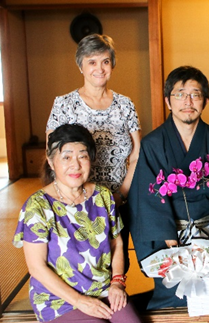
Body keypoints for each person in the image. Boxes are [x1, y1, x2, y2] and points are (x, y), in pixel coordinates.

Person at [127, 65, 209, 310]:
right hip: (169, 239)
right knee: (172, 301)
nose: (188, 101)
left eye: (195, 94)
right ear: (168, 100)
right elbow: (146, 199)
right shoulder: (153, 144)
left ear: (205, 100)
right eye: (180, 94)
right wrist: (169, 240)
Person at [12, 124, 141, 323]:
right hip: (59, 300)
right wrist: (80, 301)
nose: (76, 164)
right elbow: (36, 267)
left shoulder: (103, 196)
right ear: (51, 161)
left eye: (83, 156)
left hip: (104, 290)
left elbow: (117, 244)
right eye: (66, 157)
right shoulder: (37, 205)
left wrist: (117, 282)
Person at [46, 34, 141, 271]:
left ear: (112, 65)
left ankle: (115, 305)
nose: (100, 68)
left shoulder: (125, 105)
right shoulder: (64, 104)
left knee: (118, 260)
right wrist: (70, 196)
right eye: (92, 62)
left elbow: (137, 153)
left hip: (118, 199)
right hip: (74, 201)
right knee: (80, 263)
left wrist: (121, 195)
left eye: (106, 62)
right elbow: (53, 155)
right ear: (80, 65)